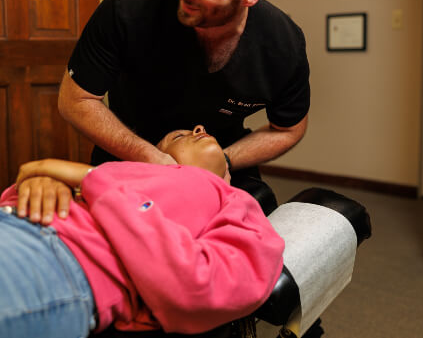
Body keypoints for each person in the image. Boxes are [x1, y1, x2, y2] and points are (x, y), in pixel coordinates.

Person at [58, 0, 310, 190]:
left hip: (220, 166)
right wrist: (152, 158)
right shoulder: (130, 5)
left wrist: (221, 162)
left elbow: (288, 129)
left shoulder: (282, 43)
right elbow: (76, 100)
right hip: (128, 156)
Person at [0, 126, 284, 338]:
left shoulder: (238, 206)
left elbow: (197, 288)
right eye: (178, 136)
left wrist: (88, 179)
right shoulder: (116, 173)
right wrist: (40, 184)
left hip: (58, 262)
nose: (199, 128)